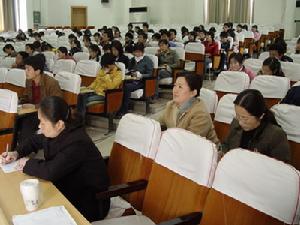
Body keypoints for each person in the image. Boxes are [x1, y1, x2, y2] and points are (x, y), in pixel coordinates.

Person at [1, 96, 110, 222]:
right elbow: (34, 141)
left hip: (89, 201)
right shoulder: (57, 130)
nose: (39, 126)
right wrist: (16, 153)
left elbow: (50, 171)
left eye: (42, 122)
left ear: (59, 124)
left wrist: (26, 163)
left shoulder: (78, 143)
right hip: (67, 187)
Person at [221, 89, 290, 162]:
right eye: (237, 115)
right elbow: (226, 145)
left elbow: (281, 167)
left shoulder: (276, 135)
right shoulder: (236, 122)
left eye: (245, 118)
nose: (240, 122)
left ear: (260, 116)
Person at [158, 72, 219, 144]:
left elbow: (188, 143)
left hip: (202, 152)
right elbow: (158, 125)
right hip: (175, 147)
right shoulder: (171, 105)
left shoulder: (201, 114)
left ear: (193, 93)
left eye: (180, 87)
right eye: (175, 85)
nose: (175, 90)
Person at [18, 54, 63, 144]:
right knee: (16, 120)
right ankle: (16, 145)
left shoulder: (51, 83)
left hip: (47, 113)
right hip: (33, 111)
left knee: (27, 122)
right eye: (25, 68)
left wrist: (35, 107)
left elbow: (56, 103)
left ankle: (24, 149)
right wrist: (20, 101)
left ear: (38, 71)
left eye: (28, 69)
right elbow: (27, 96)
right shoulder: (29, 80)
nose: (25, 71)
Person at [77, 53, 122, 120]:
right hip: (95, 91)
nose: (104, 68)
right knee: (80, 95)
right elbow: (96, 81)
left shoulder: (118, 73)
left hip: (104, 95)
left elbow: (111, 87)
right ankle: (80, 118)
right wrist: (89, 88)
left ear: (112, 64)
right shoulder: (102, 69)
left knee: (84, 99)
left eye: (106, 66)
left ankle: (81, 120)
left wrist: (107, 75)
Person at [119, 43, 154, 115]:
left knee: (127, 87)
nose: (137, 54)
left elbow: (150, 74)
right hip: (131, 79)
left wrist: (141, 75)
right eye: (135, 52)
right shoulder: (132, 59)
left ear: (142, 52)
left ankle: (124, 109)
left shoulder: (147, 60)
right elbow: (129, 70)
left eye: (139, 52)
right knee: (120, 85)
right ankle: (118, 108)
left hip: (141, 82)